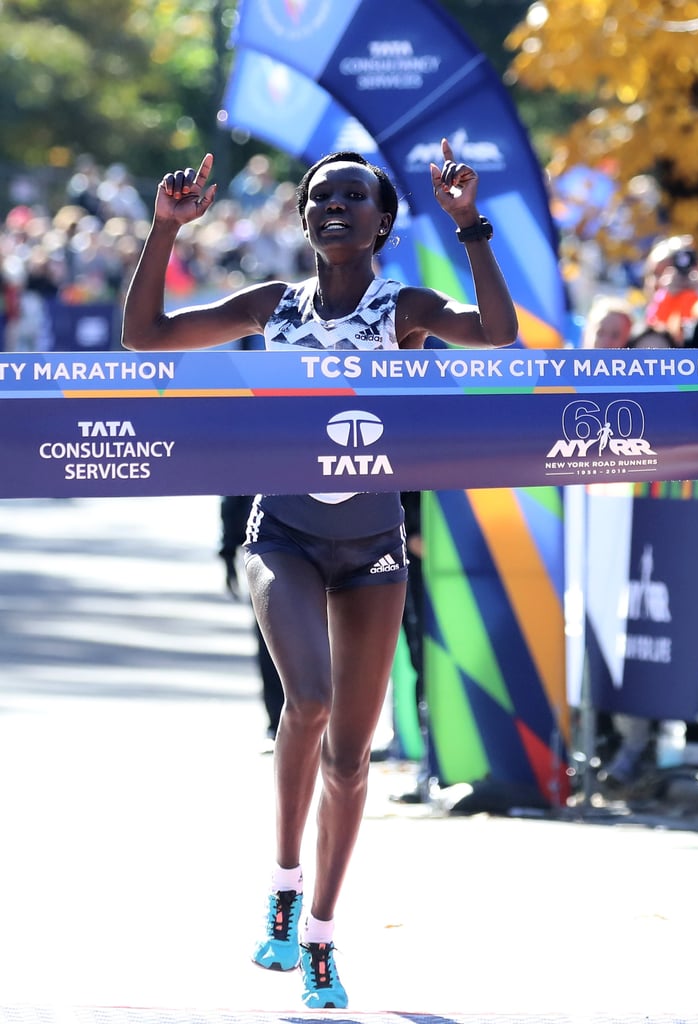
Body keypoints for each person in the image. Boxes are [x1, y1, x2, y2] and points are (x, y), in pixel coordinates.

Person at [121, 139, 518, 1009]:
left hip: (373, 544)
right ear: (303, 220)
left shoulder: (402, 305)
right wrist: (163, 232)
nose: (333, 205)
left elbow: (496, 333)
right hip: (285, 534)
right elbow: (145, 336)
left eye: (352, 196)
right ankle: (282, 879)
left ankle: (324, 940)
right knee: (308, 700)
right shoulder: (273, 304)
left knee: (349, 762)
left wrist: (469, 226)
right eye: (319, 197)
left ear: (381, 222)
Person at [219, 494, 284, 748]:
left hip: (322, 538)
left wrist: (227, 547)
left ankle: (286, 724)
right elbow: (235, 479)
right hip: (267, 543)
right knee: (272, 639)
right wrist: (227, 546)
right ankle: (278, 723)